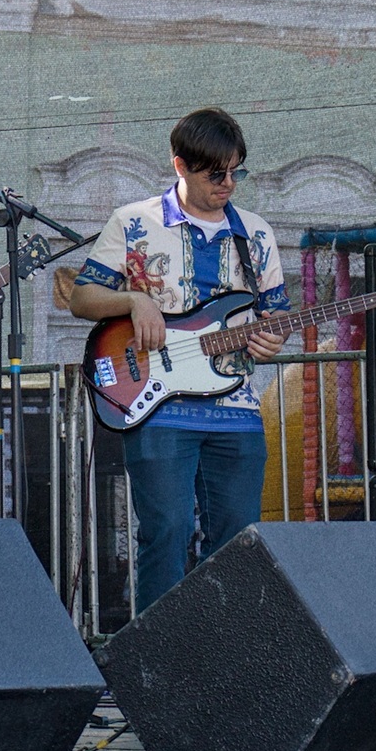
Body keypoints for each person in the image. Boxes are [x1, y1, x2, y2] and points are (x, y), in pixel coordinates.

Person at [69, 106, 290, 613]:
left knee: (238, 542)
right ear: (180, 166)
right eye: (216, 174)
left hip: (237, 410)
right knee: (166, 532)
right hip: (158, 405)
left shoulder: (256, 233)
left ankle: (220, 648)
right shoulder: (134, 222)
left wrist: (272, 338)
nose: (228, 184)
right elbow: (81, 297)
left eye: (236, 172)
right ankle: (157, 656)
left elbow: (275, 312)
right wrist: (133, 300)